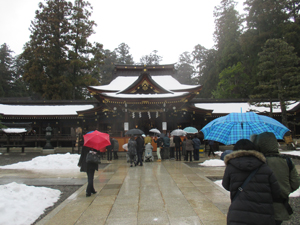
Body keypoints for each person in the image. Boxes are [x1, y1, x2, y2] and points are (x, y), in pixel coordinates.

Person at [222, 139, 281, 225]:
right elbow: (276, 191)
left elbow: (226, 185)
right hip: (263, 213)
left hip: (238, 214)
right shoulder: (264, 166)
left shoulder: (231, 166)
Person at [254, 132, 300, 224]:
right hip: (280, 204)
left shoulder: (257, 162)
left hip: (260, 206)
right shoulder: (286, 161)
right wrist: (285, 190)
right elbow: (295, 183)